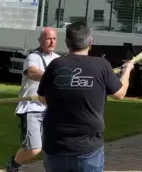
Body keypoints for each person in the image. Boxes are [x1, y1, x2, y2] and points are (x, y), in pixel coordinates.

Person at [37, 22, 133, 172]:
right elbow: (120, 94)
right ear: (90, 42)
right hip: (87, 148)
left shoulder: (56, 65)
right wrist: (127, 71)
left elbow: (42, 99)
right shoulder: (101, 65)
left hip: (56, 145)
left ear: (67, 42)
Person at [6, 27, 59, 172]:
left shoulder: (58, 59)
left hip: (51, 109)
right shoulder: (33, 57)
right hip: (31, 108)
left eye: (54, 39)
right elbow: (32, 73)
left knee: (56, 146)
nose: (52, 42)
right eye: (48, 39)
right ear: (40, 40)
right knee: (34, 149)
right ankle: (13, 165)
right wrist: (54, 75)